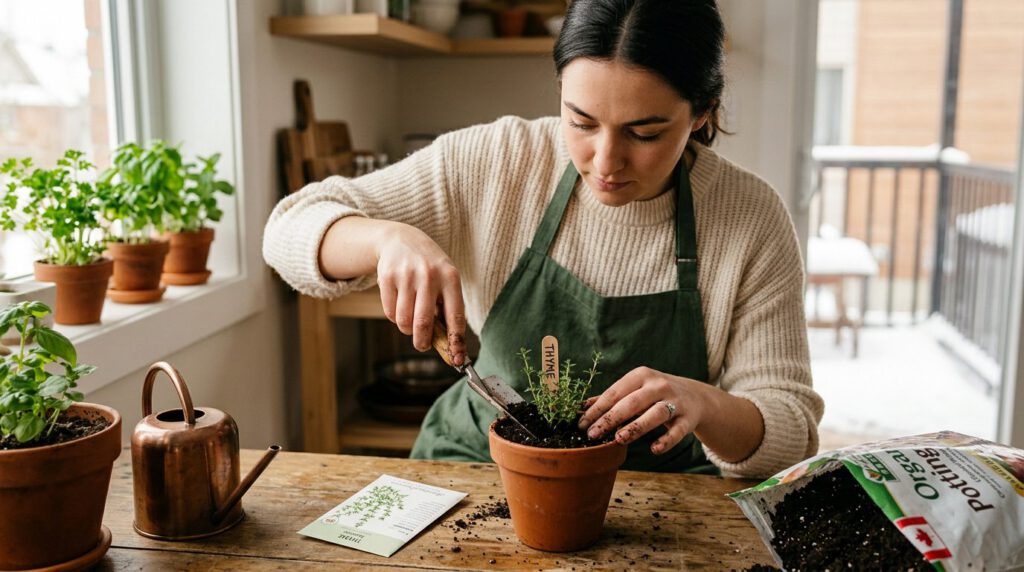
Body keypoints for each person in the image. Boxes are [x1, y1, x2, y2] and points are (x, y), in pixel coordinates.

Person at [264, 0, 823, 477]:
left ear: (703, 113)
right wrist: (385, 239)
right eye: (580, 122)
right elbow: (288, 228)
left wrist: (704, 403)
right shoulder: (499, 163)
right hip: (480, 465)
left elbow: (789, 431)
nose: (605, 162)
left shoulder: (750, 218)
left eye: (644, 132)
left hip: (660, 494)